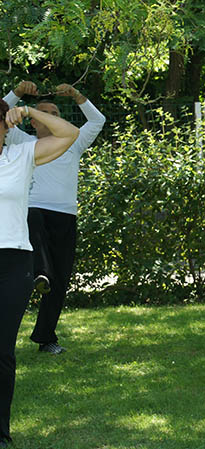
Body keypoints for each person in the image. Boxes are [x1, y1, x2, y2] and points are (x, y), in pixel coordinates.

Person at [3, 81, 106, 353]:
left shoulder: (74, 142)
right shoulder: (20, 141)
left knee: (59, 281)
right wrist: (18, 94)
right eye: (40, 112)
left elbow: (98, 120)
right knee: (33, 220)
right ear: (33, 121)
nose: (47, 116)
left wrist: (76, 95)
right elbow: (2, 113)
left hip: (65, 215)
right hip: (32, 211)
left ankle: (46, 337)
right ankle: (40, 272)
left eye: (54, 113)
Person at [0, 99, 79, 447]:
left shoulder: (20, 156)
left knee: (2, 350)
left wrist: (29, 112)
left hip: (13, 262)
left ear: (5, 126)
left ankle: (0, 432)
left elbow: (70, 133)